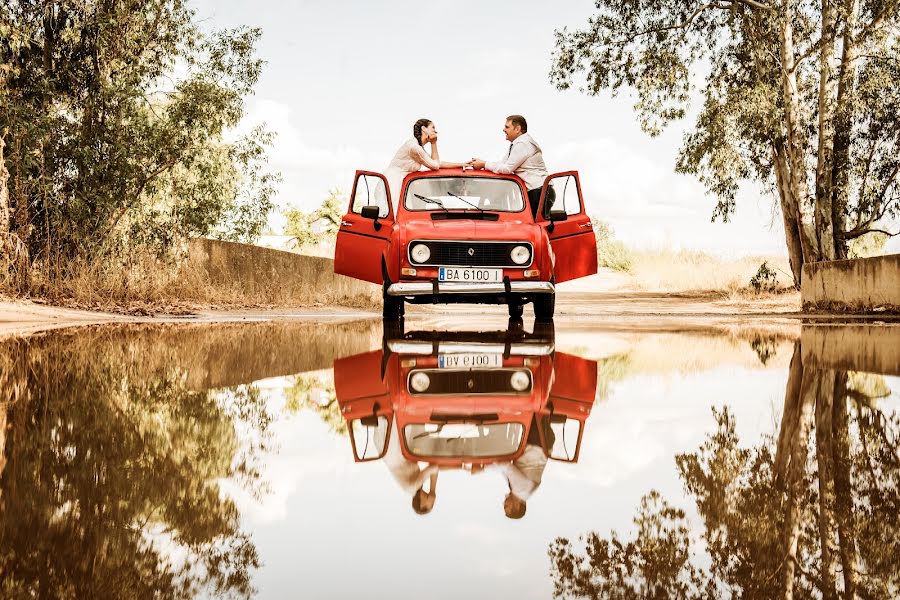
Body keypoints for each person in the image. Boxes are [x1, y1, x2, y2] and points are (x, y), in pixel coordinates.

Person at [467, 115, 548, 218]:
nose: (503, 129)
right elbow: (503, 163)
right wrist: (483, 163)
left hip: (539, 192)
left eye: (507, 127)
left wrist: (484, 164)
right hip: (538, 191)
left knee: (535, 225)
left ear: (518, 129)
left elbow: (507, 169)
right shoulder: (519, 143)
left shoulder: (522, 144)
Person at [385, 118, 463, 212]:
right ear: (424, 129)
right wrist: (434, 143)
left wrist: (461, 164)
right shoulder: (414, 148)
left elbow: (437, 163)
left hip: (402, 184)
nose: (435, 130)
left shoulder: (418, 147)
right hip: (393, 184)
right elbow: (435, 166)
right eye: (433, 127)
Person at [490, 416, 552, 519]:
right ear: (517, 506)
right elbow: (506, 466)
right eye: (506, 506)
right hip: (538, 439)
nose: (503, 503)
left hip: (540, 441)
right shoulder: (521, 490)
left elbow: (505, 471)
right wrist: (481, 469)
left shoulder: (519, 490)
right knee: (532, 407)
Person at [383, 418, 440, 514]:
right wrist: (462, 467)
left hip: (395, 453)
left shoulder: (412, 487)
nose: (433, 503)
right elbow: (434, 467)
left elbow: (433, 467)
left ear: (422, 505)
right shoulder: (416, 487)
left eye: (431, 505)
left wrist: (432, 491)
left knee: (404, 421)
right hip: (400, 454)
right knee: (414, 424)